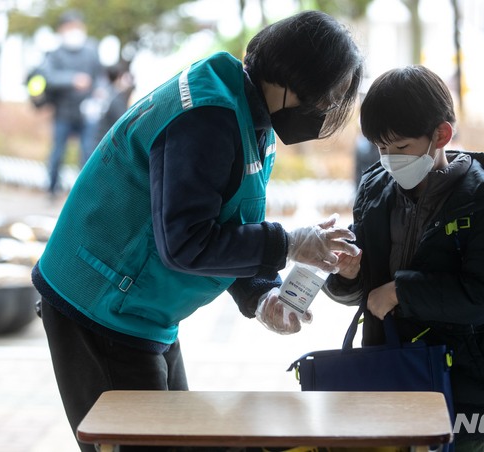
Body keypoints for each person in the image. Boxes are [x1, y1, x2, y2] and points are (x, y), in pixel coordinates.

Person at [31, 10, 363, 452]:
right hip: (99, 307)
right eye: (327, 97)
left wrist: (261, 294)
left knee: (178, 440)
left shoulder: (250, 116)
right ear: (292, 78)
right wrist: (289, 243)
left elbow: (230, 224)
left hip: (144, 310)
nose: (325, 113)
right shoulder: (207, 117)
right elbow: (186, 241)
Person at [322, 65, 484, 452]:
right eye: (381, 149)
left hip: (464, 383)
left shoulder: (482, 201)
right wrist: (347, 275)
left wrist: (401, 291)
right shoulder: (376, 190)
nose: (390, 160)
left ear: (441, 135)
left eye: (401, 148)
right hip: (389, 371)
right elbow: (363, 291)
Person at [39, 10, 104, 198]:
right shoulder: (55, 54)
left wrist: (99, 89)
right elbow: (48, 77)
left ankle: (83, 193)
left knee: (88, 152)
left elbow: (99, 75)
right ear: (61, 30)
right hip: (63, 112)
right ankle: (51, 189)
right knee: (57, 152)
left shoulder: (91, 49)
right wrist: (72, 79)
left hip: (87, 111)